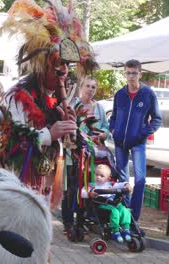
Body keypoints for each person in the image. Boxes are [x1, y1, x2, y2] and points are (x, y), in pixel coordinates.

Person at [0, 0, 97, 207]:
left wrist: (73, 134)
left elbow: (75, 150)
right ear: (43, 64)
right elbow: (10, 141)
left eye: (68, 65)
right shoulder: (18, 97)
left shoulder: (62, 99)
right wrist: (50, 133)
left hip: (44, 184)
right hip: (14, 184)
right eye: (58, 64)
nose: (64, 71)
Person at [109, 59, 162, 221]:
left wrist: (141, 134)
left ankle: (134, 218)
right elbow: (114, 116)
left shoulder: (148, 94)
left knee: (140, 180)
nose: (131, 76)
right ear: (125, 73)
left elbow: (157, 119)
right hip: (120, 143)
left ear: (140, 73)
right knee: (122, 179)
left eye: (134, 73)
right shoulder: (120, 94)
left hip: (138, 143)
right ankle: (126, 215)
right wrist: (113, 130)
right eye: (128, 73)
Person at [61, 76, 111, 232]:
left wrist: (102, 134)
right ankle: (68, 222)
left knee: (87, 186)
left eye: (93, 87)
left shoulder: (99, 108)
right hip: (73, 155)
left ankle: (83, 220)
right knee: (71, 189)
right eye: (87, 86)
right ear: (81, 87)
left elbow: (106, 128)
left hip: (92, 156)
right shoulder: (72, 104)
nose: (90, 89)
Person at [81, 164, 133, 243]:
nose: (98, 177)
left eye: (102, 176)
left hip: (112, 204)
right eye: (96, 175)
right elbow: (82, 192)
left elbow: (121, 184)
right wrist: (90, 194)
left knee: (125, 210)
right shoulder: (92, 185)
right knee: (114, 212)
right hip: (101, 206)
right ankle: (115, 231)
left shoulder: (111, 184)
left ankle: (126, 229)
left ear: (108, 178)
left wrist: (127, 185)